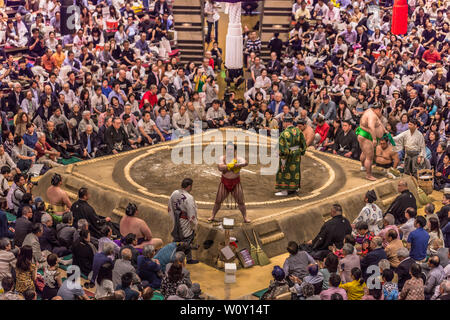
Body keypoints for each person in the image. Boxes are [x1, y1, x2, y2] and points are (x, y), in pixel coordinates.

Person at [209, 142, 250, 223]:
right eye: (228, 149)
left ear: (235, 150)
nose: (229, 151)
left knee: (241, 202)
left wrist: (238, 165)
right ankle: (212, 216)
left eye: (231, 149)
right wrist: (230, 166)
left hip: (236, 183)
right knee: (218, 201)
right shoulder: (222, 158)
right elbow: (220, 167)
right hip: (224, 183)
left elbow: (246, 163)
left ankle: (245, 217)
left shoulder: (238, 159)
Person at [168, 178, 198, 264]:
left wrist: (174, 217)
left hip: (175, 219)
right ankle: (176, 258)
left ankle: (188, 259)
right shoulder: (189, 198)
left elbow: (169, 206)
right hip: (185, 221)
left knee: (178, 238)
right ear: (189, 186)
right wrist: (194, 225)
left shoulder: (174, 193)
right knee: (187, 238)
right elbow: (191, 214)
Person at [275, 114, 307, 196]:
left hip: (288, 154)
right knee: (295, 170)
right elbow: (303, 144)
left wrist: (281, 155)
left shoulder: (284, 134)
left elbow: (282, 148)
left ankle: (284, 191)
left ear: (286, 123)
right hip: (296, 154)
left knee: (284, 170)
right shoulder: (298, 131)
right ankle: (294, 188)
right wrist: (300, 151)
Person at [356, 104, 389, 180]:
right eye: (381, 111)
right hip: (367, 136)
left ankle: (363, 166)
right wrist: (374, 139)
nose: (381, 113)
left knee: (364, 152)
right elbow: (371, 126)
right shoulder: (372, 115)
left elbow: (379, 123)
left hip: (364, 134)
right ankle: (369, 175)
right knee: (369, 157)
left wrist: (384, 130)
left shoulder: (370, 111)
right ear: (378, 109)